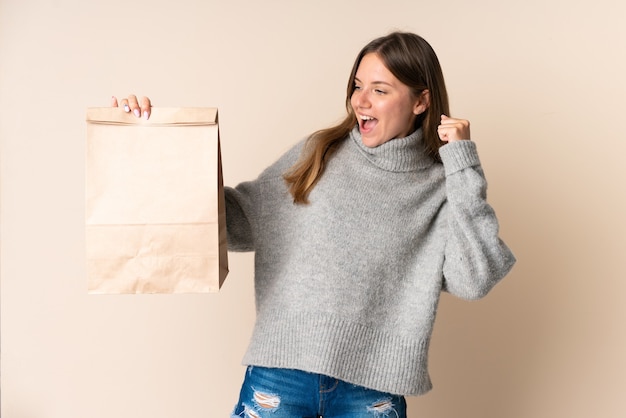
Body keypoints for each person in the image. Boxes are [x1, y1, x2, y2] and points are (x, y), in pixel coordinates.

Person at [113, 31, 515, 418]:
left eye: (380, 89)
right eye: (357, 86)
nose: (361, 101)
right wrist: (154, 140)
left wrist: (461, 160)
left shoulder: (442, 185)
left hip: (371, 389)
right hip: (280, 375)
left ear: (421, 101)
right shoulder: (318, 154)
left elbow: (473, 279)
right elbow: (234, 220)